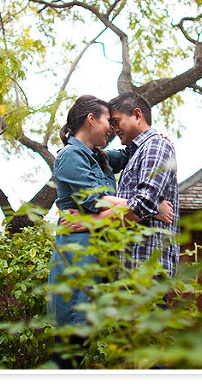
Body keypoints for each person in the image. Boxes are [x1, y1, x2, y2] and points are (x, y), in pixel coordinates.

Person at [47, 95, 173, 368]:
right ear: (91, 119)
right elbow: (100, 199)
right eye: (109, 121)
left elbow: (133, 151)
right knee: (71, 338)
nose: (112, 129)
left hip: (101, 253)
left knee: (89, 336)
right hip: (79, 254)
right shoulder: (70, 156)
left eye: (116, 123)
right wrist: (151, 207)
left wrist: (155, 136)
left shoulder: (98, 157)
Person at [106, 92, 180, 283]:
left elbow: (142, 206)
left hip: (145, 271)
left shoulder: (155, 146)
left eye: (116, 122)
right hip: (130, 270)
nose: (114, 129)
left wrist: (87, 223)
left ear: (137, 115)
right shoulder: (135, 152)